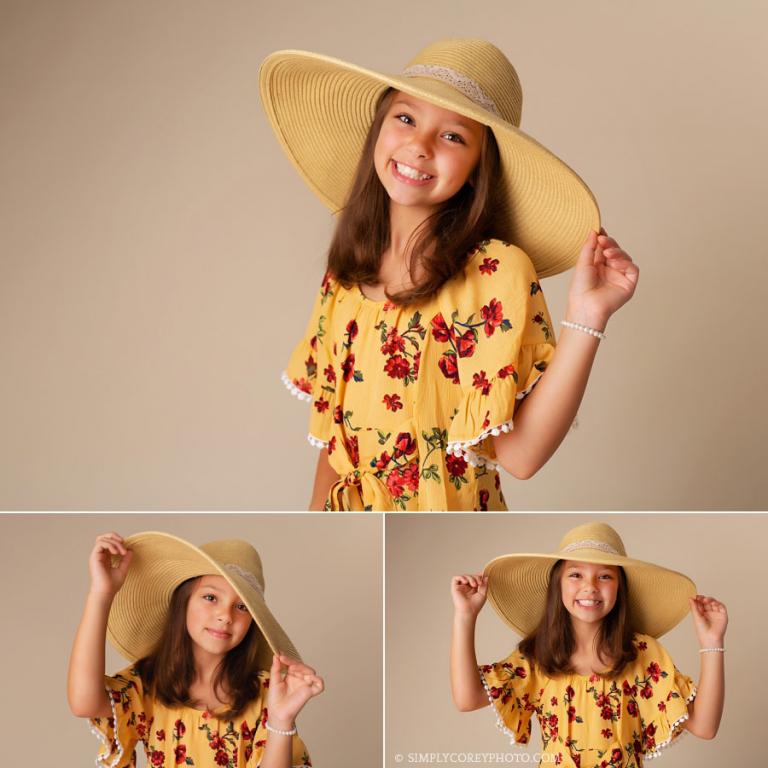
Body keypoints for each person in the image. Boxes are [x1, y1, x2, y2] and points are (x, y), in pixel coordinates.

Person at [260, 39, 639, 510]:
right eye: (405, 118)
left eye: (453, 136)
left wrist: (588, 316)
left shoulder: (494, 272)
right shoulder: (344, 278)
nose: (418, 147)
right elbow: (333, 453)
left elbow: (521, 458)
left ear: (480, 167)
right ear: (378, 129)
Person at [450, 522, 727, 767]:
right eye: (576, 575)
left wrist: (712, 642)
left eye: (605, 576)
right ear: (558, 584)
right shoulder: (538, 656)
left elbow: (704, 726)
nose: (590, 587)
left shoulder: (642, 654)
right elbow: (467, 698)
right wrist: (465, 616)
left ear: (620, 588)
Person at [68, 532, 324, 768]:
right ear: (184, 602)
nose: (225, 616)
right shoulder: (148, 685)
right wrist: (101, 593)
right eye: (211, 598)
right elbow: (84, 703)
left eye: (242, 607)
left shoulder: (267, 693)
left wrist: (280, 721)